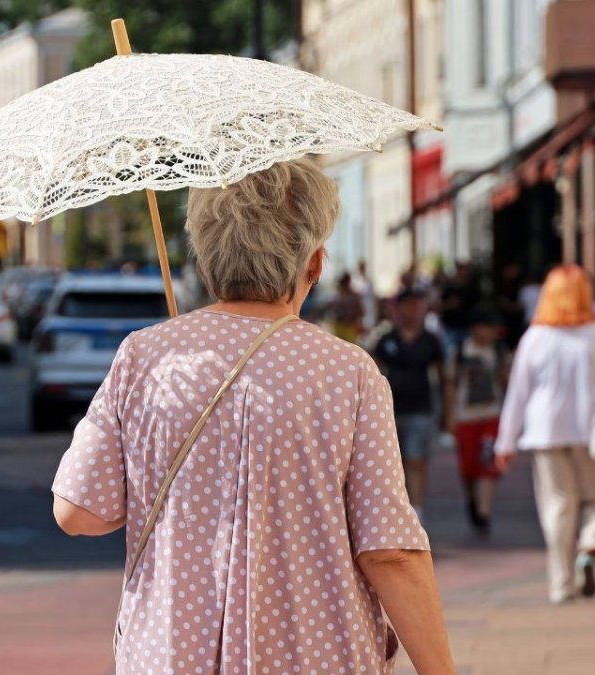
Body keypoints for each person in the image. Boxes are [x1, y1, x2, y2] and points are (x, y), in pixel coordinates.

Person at [50, 158, 455, 674]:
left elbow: (77, 511)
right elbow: (389, 552)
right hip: (315, 658)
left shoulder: (144, 358)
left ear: (206, 261)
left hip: (172, 656)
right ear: (314, 263)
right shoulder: (347, 372)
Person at [494, 265, 595, 604]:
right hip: (592, 433)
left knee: (557, 508)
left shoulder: (535, 338)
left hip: (545, 433)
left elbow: (518, 394)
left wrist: (506, 441)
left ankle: (561, 584)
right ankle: (592, 543)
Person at [372, 287, 450, 523]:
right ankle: (398, 507)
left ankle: (416, 510)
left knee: (417, 459)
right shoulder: (387, 340)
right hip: (390, 409)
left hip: (421, 408)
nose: (414, 310)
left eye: (418, 305)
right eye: (409, 305)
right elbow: (372, 373)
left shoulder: (431, 340)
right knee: (394, 462)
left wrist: (448, 411)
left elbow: (444, 376)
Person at [448, 308, 510, 535]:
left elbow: (505, 381)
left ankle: (484, 512)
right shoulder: (460, 352)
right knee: (468, 469)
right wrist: (449, 415)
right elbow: (451, 384)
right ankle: (473, 503)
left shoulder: (499, 352)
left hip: (491, 416)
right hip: (465, 417)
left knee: (487, 464)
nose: (492, 333)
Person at [330, 271, 366, 343]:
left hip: (350, 325)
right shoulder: (338, 295)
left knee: (348, 346)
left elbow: (361, 311)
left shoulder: (352, 295)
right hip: (340, 324)